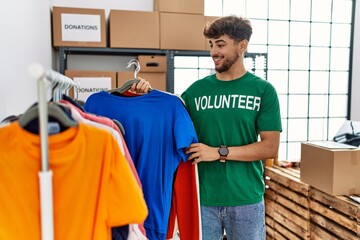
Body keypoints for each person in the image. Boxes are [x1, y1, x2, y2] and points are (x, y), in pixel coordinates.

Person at [136, 15, 282, 240]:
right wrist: (146, 95)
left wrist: (218, 152)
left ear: (242, 46)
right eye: (211, 45)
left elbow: (270, 147)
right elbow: (166, 118)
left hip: (246, 200)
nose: (214, 51)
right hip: (201, 198)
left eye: (221, 44)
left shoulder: (263, 91)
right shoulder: (195, 91)